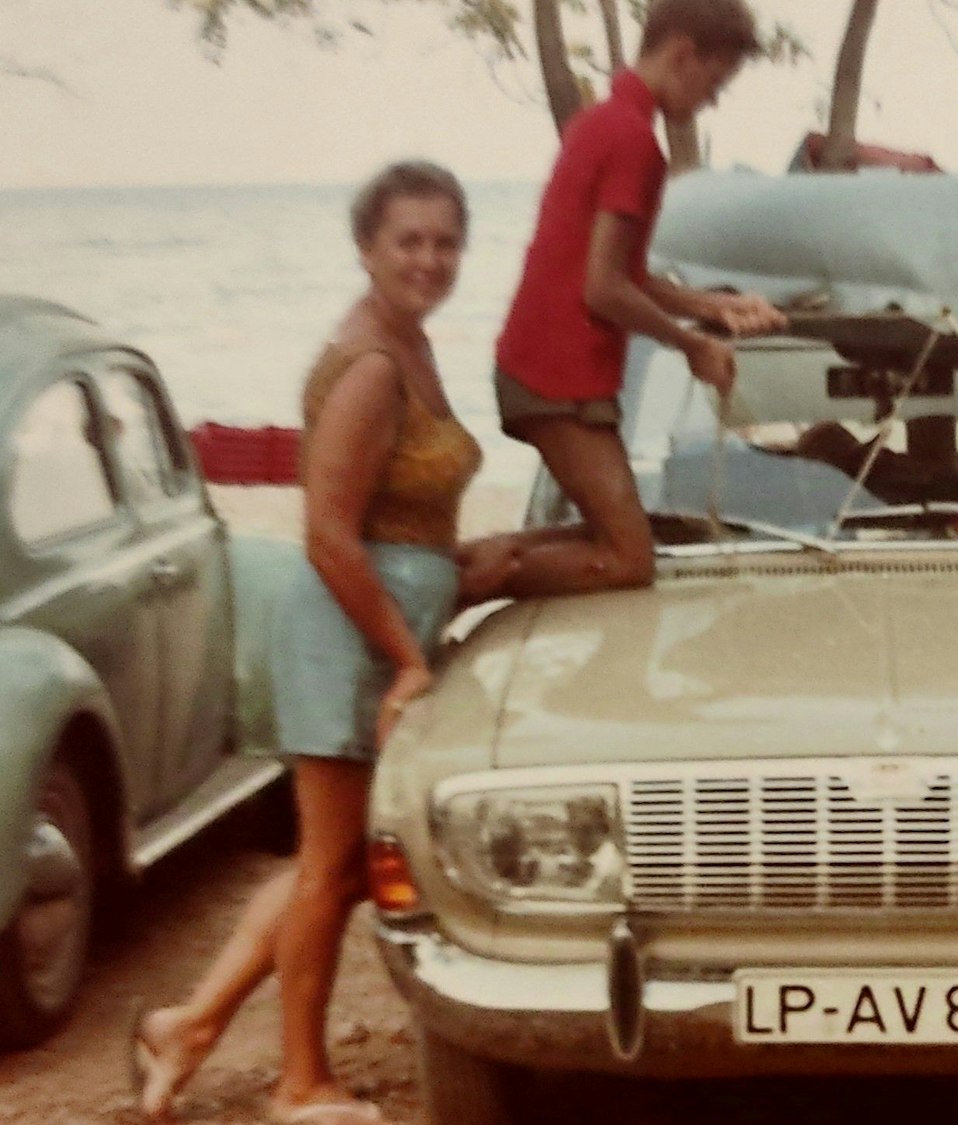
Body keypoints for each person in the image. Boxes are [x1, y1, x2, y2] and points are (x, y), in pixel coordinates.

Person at [130, 161, 483, 1125]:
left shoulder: (409, 342)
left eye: (446, 240)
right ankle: (299, 1083)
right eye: (408, 239)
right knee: (335, 867)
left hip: (377, 625)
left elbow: (399, 520)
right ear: (366, 246)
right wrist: (408, 658)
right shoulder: (371, 361)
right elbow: (328, 532)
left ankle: (189, 1026)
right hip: (347, 638)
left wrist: (481, 565)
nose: (429, 258)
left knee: (346, 864)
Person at [471, 0, 786, 600]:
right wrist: (692, 344)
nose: (712, 100)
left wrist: (712, 306)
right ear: (682, 55)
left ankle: (469, 560)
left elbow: (624, 275)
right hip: (558, 378)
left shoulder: (600, 123)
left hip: (543, 368)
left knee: (612, 535)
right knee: (627, 559)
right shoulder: (634, 142)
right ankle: (453, 586)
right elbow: (604, 289)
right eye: (715, 83)